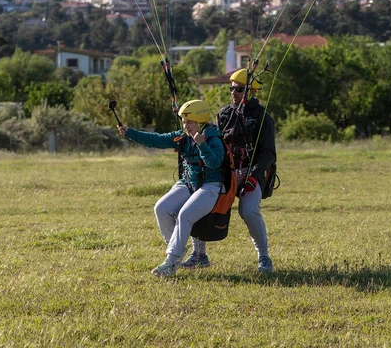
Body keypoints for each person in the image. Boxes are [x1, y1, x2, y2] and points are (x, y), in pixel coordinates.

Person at [182, 68, 277, 273]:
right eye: (232, 88)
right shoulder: (224, 114)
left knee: (248, 210)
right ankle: (199, 254)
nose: (234, 92)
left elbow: (268, 153)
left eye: (239, 89)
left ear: (251, 91)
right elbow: (214, 140)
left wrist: (255, 175)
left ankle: (264, 257)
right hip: (227, 173)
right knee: (200, 203)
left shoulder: (262, 116)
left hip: (252, 173)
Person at [117, 99, 225, 277]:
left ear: (200, 121)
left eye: (189, 122)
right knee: (162, 208)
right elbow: (156, 139)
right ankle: (177, 251)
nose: (185, 125)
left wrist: (202, 145)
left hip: (211, 186)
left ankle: (171, 260)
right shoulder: (182, 137)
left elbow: (214, 163)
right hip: (189, 183)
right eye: (183, 121)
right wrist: (130, 133)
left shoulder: (213, 138)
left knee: (185, 214)